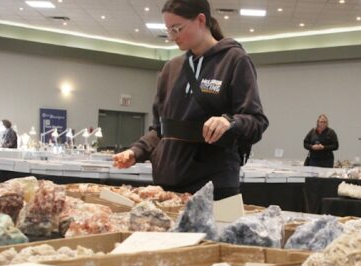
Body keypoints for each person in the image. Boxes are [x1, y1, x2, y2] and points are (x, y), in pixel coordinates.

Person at [113, 0, 268, 200]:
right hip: (168, 184)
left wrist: (229, 122)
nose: (172, 37)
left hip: (214, 187)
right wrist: (136, 152)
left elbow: (256, 121)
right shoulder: (171, 68)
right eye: (168, 30)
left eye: (177, 28)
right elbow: (160, 130)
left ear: (201, 20)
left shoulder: (234, 61)